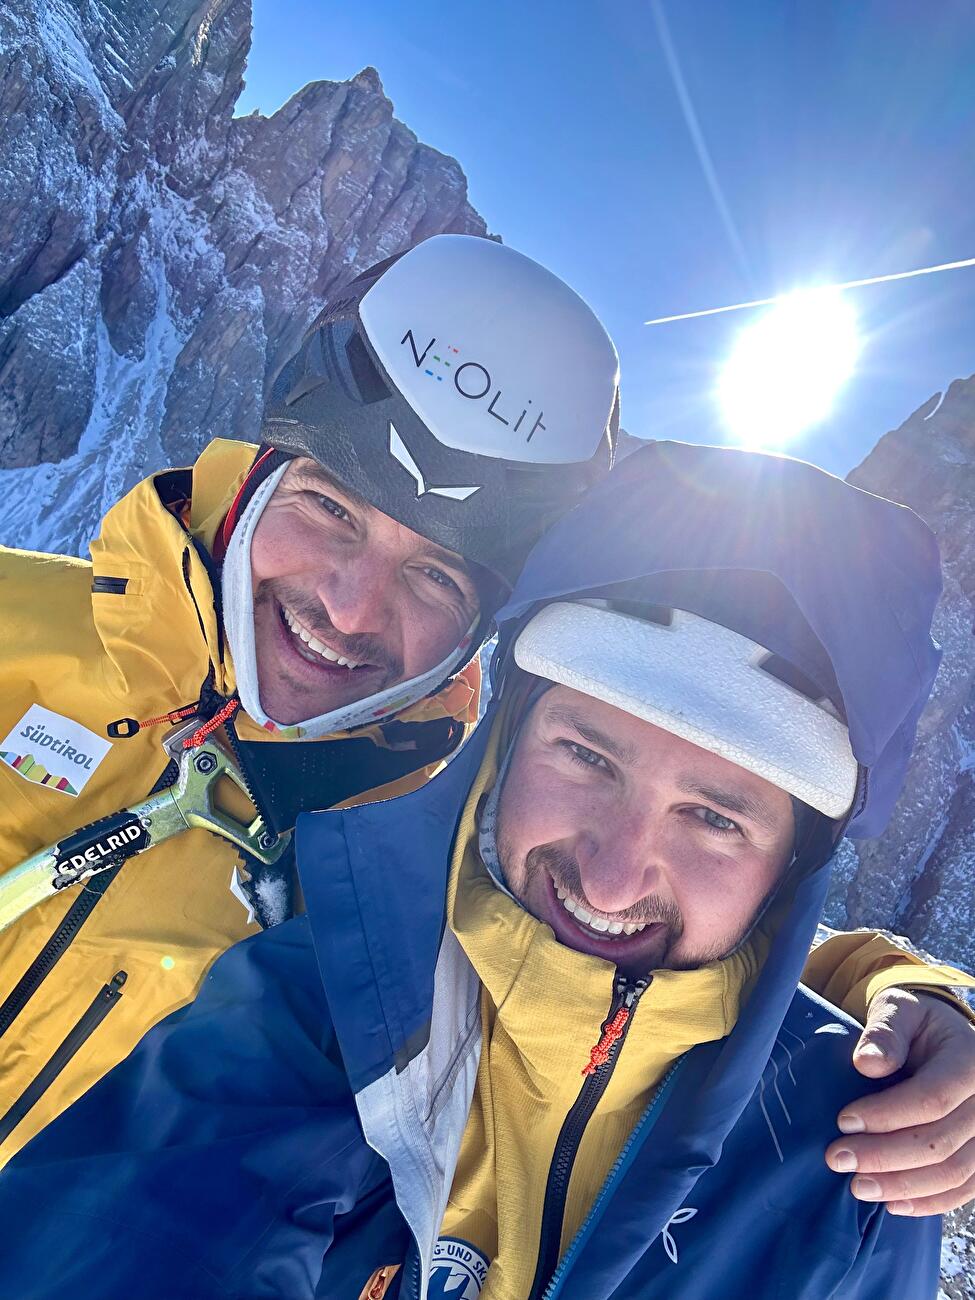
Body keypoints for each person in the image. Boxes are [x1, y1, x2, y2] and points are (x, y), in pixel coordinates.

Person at [1, 441, 972, 1299]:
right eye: (586, 757)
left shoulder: (856, 1165)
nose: (613, 876)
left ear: (790, 867)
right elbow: (144, 1223)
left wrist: (917, 991)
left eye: (714, 818)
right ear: (503, 747)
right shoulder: (326, 1000)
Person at [0, 233, 622, 1163]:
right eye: (330, 508)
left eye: (437, 578)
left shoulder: (437, 849)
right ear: (252, 478)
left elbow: (668, 931)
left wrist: (898, 997)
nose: (348, 608)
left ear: (479, 631)